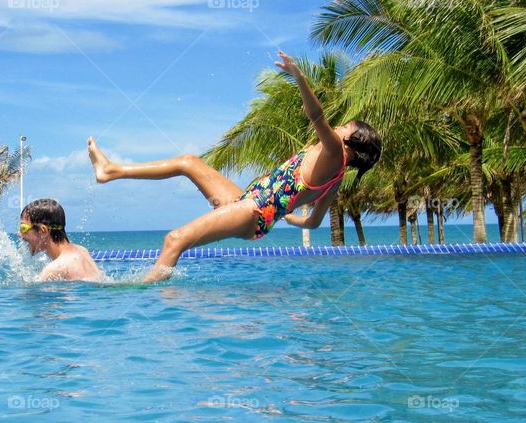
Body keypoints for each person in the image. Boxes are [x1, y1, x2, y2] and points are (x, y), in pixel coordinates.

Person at [87, 51, 382, 283]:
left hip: (252, 211)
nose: (339, 126)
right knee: (188, 162)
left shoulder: (334, 153)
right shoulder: (336, 177)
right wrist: (284, 216)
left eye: (346, 127)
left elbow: (316, 115)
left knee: (174, 240)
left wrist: (299, 76)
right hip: (250, 205)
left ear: (351, 143)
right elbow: (315, 222)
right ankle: (110, 170)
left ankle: (145, 293)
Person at [19, 199, 103, 282]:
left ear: (43, 231)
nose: (19, 234)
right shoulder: (82, 250)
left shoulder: (54, 270)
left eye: (23, 228)